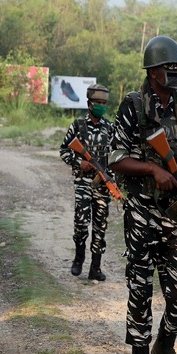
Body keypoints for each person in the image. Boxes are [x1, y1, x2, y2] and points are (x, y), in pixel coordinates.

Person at [109, 35, 177, 354]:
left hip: (174, 212)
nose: (174, 73)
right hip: (142, 211)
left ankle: (164, 346)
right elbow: (115, 159)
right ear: (152, 71)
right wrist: (153, 171)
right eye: (168, 67)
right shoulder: (133, 105)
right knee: (141, 288)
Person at [60, 83, 114, 282]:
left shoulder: (110, 127)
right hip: (83, 182)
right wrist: (79, 162)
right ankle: (78, 259)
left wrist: (110, 177)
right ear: (89, 104)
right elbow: (64, 150)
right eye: (97, 103)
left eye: (104, 103)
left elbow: (116, 156)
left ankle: (96, 267)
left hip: (102, 185)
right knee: (81, 223)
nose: (101, 106)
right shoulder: (78, 126)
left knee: (100, 226)